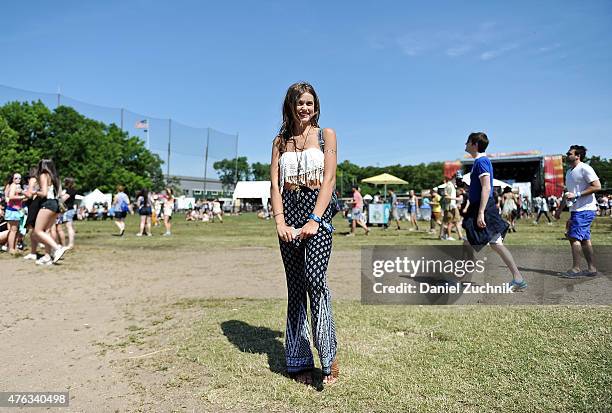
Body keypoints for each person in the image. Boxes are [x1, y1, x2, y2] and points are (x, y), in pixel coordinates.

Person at [269, 82, 339, 386]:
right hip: (289, 212)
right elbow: (274, 184)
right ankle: (298, 360)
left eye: (310, 103)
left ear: (316, 106)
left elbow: (330, 179)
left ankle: (328, 355)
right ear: (291, 106)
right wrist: (280, 222)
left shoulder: (327, 136)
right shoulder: (279, 141)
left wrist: (315, 218)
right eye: (300, 103)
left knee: (314, 279)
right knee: (295, 286)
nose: (305, 108)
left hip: (316, 211)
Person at [462, 132, 527, 290]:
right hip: (481, 206)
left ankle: (461, 279)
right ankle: (517, 278)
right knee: (492, 243)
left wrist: (481, 212)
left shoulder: (482, 161)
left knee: (484, 243)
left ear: (475, 144)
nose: (465, 144)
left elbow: (487, 187)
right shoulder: (479, 162)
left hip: (484, 207)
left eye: (467, 141)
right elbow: (480, 188)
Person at [554, 145, 601, 277]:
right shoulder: (569, 172)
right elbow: (568, 193)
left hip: (585, 210)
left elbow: (597, 186)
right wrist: (559, 209)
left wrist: (578, 194)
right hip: (576, 210)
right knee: (585, 240)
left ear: (577, 156)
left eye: (569, 153)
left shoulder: (585, 168)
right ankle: (591, 269)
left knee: (573, 238)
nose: (567, 155)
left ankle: (576, 269)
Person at [32, 159, 69, 265]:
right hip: (56, 205)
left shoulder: (44, 175)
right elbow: (61, 194)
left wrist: (34, 192)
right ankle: (47, 256)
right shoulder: (56, 177)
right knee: (47, 231)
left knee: (38, 231)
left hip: (47, 204)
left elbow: (43, 193)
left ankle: (57, 248)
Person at [4, 173, 25, 254]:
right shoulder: (13, 185)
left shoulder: (16, 186)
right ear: (12, 179)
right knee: (13, 230)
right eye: (16, 178)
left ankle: (14, 247)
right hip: (12, 210)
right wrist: (22, 197)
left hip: (15, 210)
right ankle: (11, 248)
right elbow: (11, 196)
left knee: (15, 230)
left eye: (19, 178)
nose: (18, 180)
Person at [61, 178, 78, 249]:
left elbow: (63, 199)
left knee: (69, 227)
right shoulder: (73, 190)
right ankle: (71, 243)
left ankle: (70, 244)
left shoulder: (69, 191)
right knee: (69, 227)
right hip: (70, 210)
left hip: (67, 210)